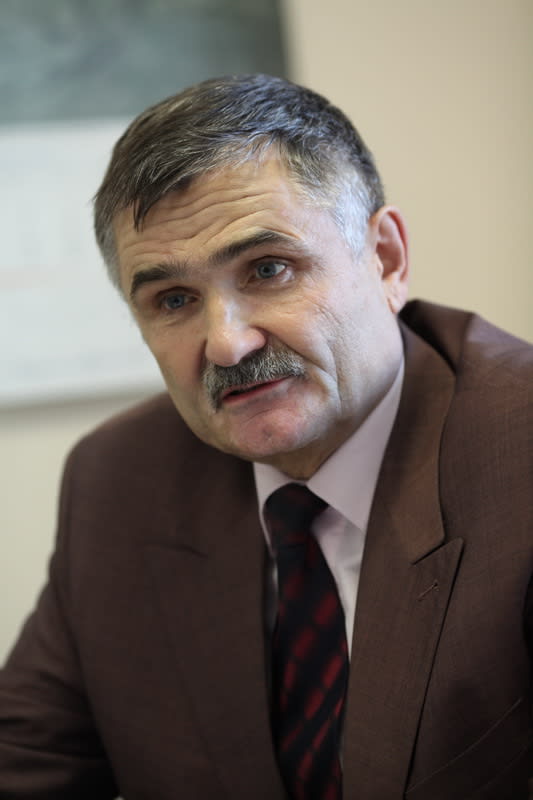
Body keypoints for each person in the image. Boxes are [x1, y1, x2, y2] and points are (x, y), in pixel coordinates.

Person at [0, 74, 531, 800]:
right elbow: (27, 758)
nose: (227, 343)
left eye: (269, 269)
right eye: (174, 300)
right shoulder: (120, 480)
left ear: (385, 259)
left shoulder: (517, 456)